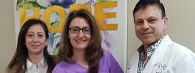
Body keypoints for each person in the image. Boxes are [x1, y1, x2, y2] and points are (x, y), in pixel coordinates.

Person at [126, 0, 195, 73]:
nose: (145, 26)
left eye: (151, 20)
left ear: (164, 22)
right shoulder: (133, 61)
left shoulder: (183, 58)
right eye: (139, 22)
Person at [52, 9, 123, 73]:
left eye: (86, 30)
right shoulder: (59, 70)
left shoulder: (106, 58)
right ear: (68, 34)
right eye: (75, 30)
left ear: (92, 34)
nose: (80, 35)